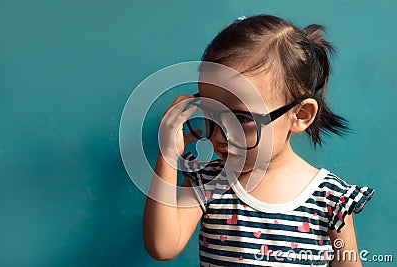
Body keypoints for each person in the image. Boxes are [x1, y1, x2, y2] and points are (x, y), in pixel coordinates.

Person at [143, 14, 374, 266]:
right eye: (210, 114)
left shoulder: (331, 199)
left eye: (241, 119)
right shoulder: (209, 181)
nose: (219, 136)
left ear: (300, 115)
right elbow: (162, 246)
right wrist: (167, 154)